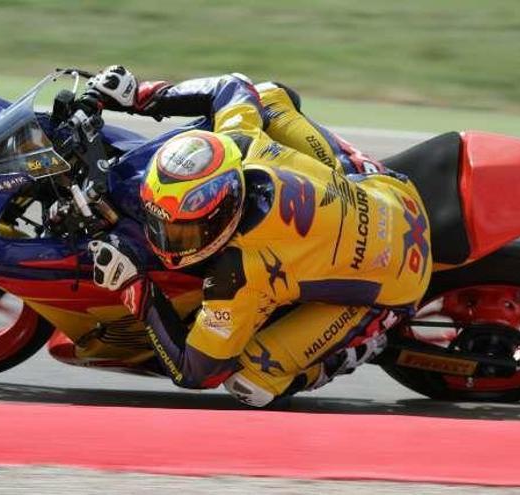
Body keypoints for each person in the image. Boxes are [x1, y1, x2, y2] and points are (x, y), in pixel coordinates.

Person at [86, 65, 432, 407]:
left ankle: (361, 349)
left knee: (250, 382)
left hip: (399, 282)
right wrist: (142, 95)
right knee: (267, 95)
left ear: (219, 217)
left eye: (181, 231)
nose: (166, 239)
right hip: (394, 192)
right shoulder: (243, 142)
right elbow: (231, 86)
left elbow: (195, 372)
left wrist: (135, 287)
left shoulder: (241, 275)